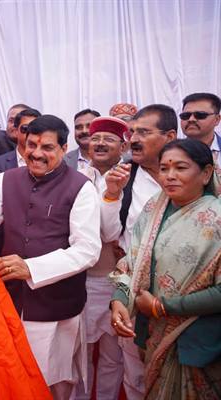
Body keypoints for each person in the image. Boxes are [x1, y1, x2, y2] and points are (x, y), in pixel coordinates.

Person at [0, 115, 101, 399]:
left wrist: (31, 268)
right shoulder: (5, 180)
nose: (36, 153)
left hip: (56, 307)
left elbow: (87, 250)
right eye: (31, 145)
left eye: (47, 147)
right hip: (10, 303)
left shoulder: (81, 187)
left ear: (64, 148)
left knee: (53, 382)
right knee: (13, 379)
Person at [110, 139, 221, 399]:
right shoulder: (154, 208)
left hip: (200, 342)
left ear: (206, 173)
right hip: (150, 333)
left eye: (180, 168)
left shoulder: (216, 218)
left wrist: (162, 307)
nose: (170, 176)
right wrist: (118, 300)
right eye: (164, 168)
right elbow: (132, 262)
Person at [100, 104, 177, 399]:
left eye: (143, 132)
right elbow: (109, 235)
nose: (133, 139)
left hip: (185, 296)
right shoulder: (123, 176)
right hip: (133, 291)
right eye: (131, 132)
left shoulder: (197, 175)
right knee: (135, 374)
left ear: (170, 136)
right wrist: (112, 194)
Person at [75, 117, 128, 399]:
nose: (100, 143)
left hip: (115, 281)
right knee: (80, 353)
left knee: (112, 354)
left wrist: (112, 193)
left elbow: (110, 234)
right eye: (96, 138)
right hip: (79, 279)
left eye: (109, 139)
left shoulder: (131, 178)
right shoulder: (77, 177)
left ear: (123, 146)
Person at [0, 108, 41, 259]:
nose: (30, 133)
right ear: (16, 130)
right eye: (25, 129)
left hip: (41, 248)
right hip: (3, 249)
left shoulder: (50, 163)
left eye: (35, 129)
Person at [180, 92, 221, 169]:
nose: (191, 119)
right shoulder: (170, 152)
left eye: (200, 115)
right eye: (186, 116)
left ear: (217, 119)